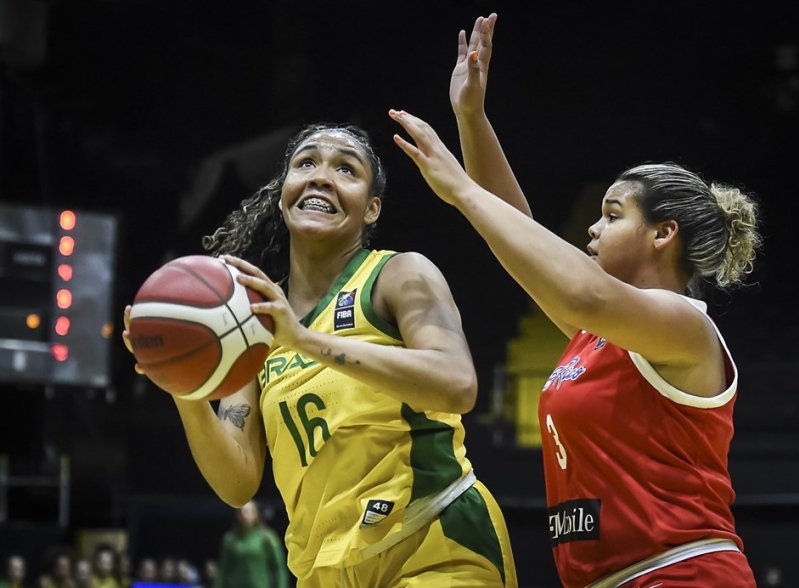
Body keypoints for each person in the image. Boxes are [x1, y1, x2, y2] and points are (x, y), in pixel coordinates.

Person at [388, 13, 762, 587]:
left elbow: (584, 293)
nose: (591, 229)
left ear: (663, 234)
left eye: (611, 216)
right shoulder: (600, 337)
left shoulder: (685, 327)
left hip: (684, 572)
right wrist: (472, 117)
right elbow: (515, 233)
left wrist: (460, 189)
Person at [123, 122, 517, 587]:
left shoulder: (397, 274)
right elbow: (237, 482)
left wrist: (305, 341)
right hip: (323, 573)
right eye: (305, 163)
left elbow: (457, 383)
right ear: (283, 191)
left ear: (372, 210)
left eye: (345, 169)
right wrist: (184, 385)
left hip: (434, 542)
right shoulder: (254, 326)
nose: (321, 177)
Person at [213, 500, 288, 588]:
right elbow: (223, 570)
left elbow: (279, 568)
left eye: (247, 512)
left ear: (256, 514)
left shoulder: (267, 538)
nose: (244, 515)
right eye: (240, 512)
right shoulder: (229, 539)